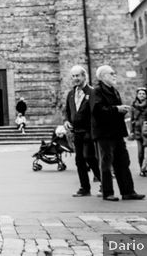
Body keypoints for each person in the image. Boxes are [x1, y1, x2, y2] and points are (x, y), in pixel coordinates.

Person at [90, 65, 145, 201]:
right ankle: (107, 192)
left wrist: (121, 110)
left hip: (117, 132)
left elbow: (109, 109)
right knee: (106, 163)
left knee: (123, 162)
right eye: (111, 73)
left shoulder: (114, 90)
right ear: (103, 76)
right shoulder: (97, 91)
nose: (115, 75)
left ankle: (128, 192)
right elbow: (98, 111)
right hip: (105, 134)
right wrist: (117, 109)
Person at [63, 65, 101, 197]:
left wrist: (91, 130)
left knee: (90, 157)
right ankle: (85, 188)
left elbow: (94, 113)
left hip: (88, 131)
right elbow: (67, 111)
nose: (75, 79)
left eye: (77, 76)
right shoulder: (71, 94)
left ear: (84, 76)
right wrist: (67, 121)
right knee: (79, 160)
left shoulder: (92, 92)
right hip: (76, 132)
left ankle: (103, 182)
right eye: (73, 76)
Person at [129, 88, 147, 167]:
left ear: (146, 95)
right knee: (140, 151)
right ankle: (142, 168)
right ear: (137, 95)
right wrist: (131, 131)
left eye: (143, 93)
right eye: (140, 93)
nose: (141, 95)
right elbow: (132, 119)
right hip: (138, 131)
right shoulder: (133, 106)